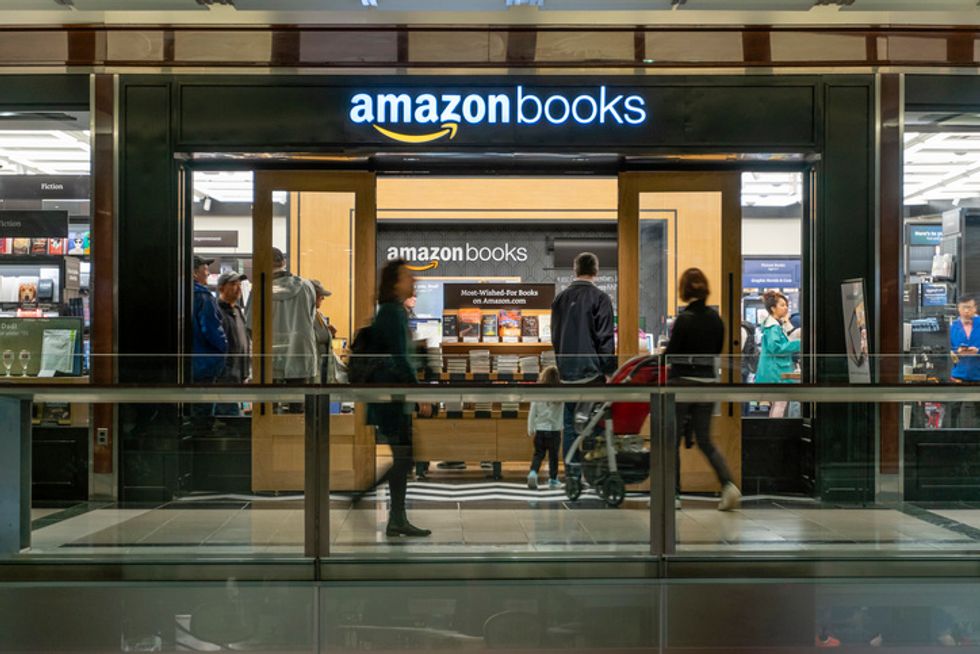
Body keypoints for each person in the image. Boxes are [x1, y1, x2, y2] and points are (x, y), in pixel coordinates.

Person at [365, 258, 432, 538]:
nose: (413, 280)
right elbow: (401, 358)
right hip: (391, 401)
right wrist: (419, 393)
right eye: (407, 276)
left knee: (405, 458)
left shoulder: (394, 312)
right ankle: (371, 500)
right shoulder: (392, 313)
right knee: (405, 458)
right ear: (394, 283)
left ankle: (397, 517)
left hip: (393, 399)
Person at [666, 268, 740, 511]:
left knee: (672, 440)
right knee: (705, 440)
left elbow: (672, 355)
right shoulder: (716, 320)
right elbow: (717, 351)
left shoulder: (684, 320)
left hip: (682, 385)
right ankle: (728, 485)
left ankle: (673, 494)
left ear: (684, 290)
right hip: (707, 385)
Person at [551, 252, 616, 481]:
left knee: (570, 425)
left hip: (567, 373)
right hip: (592, 374)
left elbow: (555, 336)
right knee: (595, 425)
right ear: (596, 271)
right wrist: (609, 371)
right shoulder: (601, 298)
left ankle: (572, 474)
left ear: (575, 270)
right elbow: (605, 338)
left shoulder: (559, 299)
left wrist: (561, 365)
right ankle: (594, 474)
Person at [269, 247, 318, 383]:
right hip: (301, 352)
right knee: (298, 400)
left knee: (267, 400)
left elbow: (252, 327)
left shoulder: (261, 290)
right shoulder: (307, 286)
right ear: (284, 262)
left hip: (271, 355)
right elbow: (311, 317)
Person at [191, 255, 227, 385]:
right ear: (194, 273)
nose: (208, 273)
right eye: (205, 269)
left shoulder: (177, 293)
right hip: (204, 366)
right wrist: (224, 350)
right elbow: (212, 330)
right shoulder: (203, 296)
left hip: (180, 367)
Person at [526, 366, 563, 490]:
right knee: (554, 457)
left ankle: (533, 473)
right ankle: (553, 479)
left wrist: (531, 428)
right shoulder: (561, 395)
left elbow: (532, 412)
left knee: (538, 454)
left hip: (540, 430)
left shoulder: (538, 393)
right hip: (554, 431)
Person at [755, 290, 802, 384]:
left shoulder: (774, 325)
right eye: (782, 305)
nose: (786, 308)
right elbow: (776, 348)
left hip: (774, 371)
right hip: (774, 373)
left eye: (786, 305)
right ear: (773, 308)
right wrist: (799, 343)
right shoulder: (773, 327)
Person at [950, 295, 980, 427]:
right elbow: (949, 348)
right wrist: (957, 351)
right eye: (964, 307)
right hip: (959, 374)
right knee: (954, 410)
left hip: (978, 373)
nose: (967, 310)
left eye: (970, 307)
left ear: (975, 308)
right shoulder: (953, 326)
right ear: (958, 308)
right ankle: (951, 437)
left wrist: (977, 350)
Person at [311, 279, 338, 384]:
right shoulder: (306, 316)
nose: (323, 298)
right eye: (320, 295)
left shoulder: (319, 315)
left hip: (324, 369)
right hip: (315, 369)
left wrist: (329, 333)